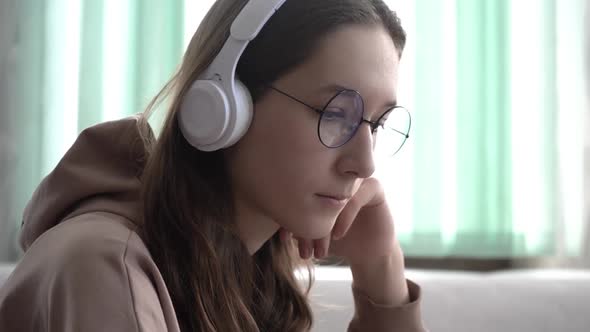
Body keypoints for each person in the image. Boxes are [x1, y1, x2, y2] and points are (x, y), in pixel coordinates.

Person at [0, 0, 426, 331]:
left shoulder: (242, 271)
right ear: (225, 105)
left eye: (378, 123)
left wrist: (382, 267)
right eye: (335, 113)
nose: (365, 163)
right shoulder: (105, 268)